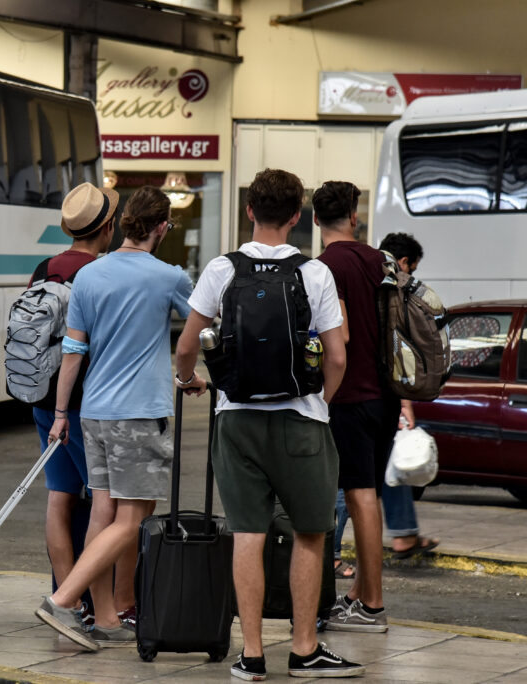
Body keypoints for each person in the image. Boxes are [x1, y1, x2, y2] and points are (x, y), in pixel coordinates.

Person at [177, 168, 363, 679]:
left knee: (247, 534)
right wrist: (320, 400)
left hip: (236, 421)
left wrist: (188, 378)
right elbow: (338, 355)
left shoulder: (222, 269)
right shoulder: (314, 273)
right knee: (309, 534)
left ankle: (252, 655)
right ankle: (304, 650)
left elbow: (187, 344)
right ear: (297, 216)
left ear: (249, 211)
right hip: (302, 421)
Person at [35, 185, 193, 651]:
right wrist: (190, 376)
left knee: (103, 514)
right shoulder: (169, 277)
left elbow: (72, 350)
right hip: (139, 413)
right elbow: (200, 331)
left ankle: (103, 615)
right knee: (132, 517)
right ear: (162, 227)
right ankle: (63, 601)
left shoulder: (89, 276)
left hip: (94, 412)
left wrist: (61, 412)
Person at [27, 182, 120, 627]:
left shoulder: (45, 267)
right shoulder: (101, 274)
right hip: (86, 400)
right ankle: (89, 604)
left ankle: (65, 599)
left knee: (59, 496)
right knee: (107, 506)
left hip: (42, 395)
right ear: (106, 229)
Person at [315, 180, 397, 633]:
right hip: (386, 392)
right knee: (370, 497)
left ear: (313, 219)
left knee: (358, 495)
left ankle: (372, 607)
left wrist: (324, 396)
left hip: (351, 394)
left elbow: (338, 338)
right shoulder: (378, 258)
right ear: (353, 215)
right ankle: (358, 595)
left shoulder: (326, 266)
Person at [377, 231, 440, 558]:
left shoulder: (363, 279)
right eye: (411, 269)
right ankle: (331, 550)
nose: (411, 276)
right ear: (403, 262)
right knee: (352, 484)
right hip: (377, 393)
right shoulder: (392, 290)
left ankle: (403, 534)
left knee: (391, 463)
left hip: (353, 391)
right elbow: (396, 348)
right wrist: (405, 402)